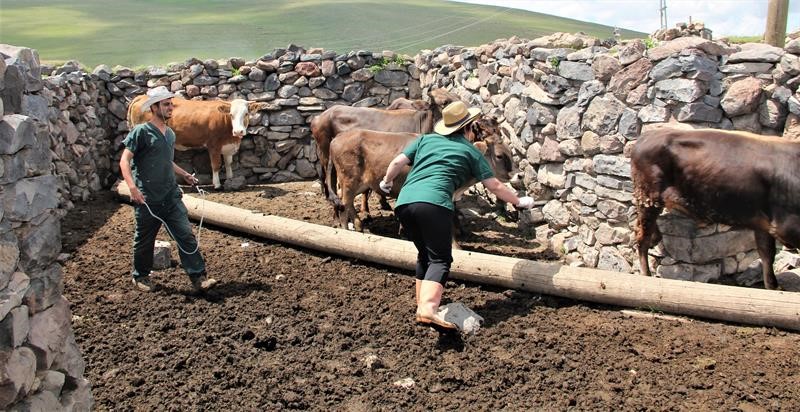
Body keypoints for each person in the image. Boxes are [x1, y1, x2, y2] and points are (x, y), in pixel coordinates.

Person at [380, 101, 534, 331]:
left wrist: (386, 182)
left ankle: (422, 305)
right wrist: (519, 201)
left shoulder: (425, 139)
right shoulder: (470, 151)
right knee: (441, 259)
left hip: (404, 203)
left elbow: (397, 161)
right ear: (468, 128)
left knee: (425, 255)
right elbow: (494, 185)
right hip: (434, 205)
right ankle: (428, 309)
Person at [119, 86, 218, 293]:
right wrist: (131, 187)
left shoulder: (170, 134)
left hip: (170, 196)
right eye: (165, 104)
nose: (170, 108)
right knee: (145, 239)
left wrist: (184, 174)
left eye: (171, 104)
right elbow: (124, 161)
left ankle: (198, 277)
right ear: (154, 108)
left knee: (185, 235)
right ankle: (141, 276)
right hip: (147, 198)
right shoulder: (141, 132)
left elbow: (166, 161)